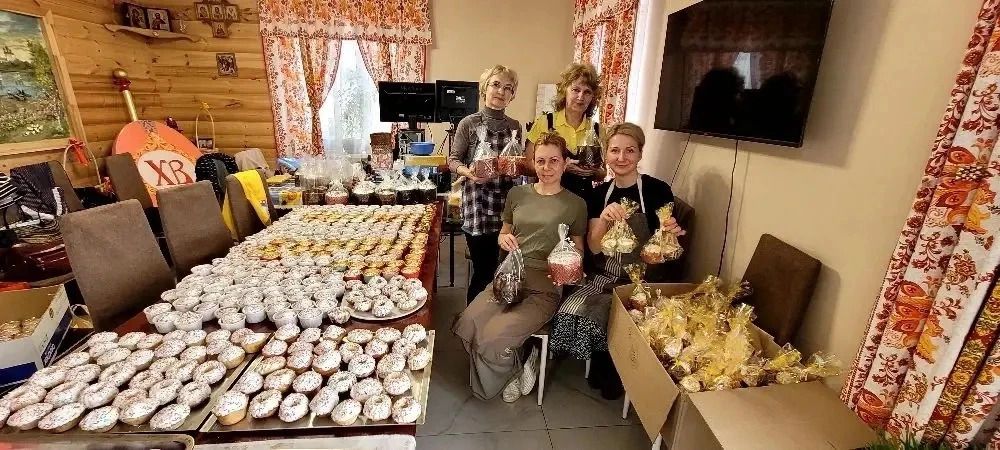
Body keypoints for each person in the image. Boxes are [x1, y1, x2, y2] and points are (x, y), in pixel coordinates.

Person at [549, 123, 686, 399]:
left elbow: (661, 248)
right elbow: (593, 247)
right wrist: (604, 220)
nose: (621, 158)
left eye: (630, 151)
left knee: (621, 318)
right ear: (606, 154)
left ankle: (615, 363)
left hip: (644, 279)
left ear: (640, 154)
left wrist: (670, 232)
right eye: (614, 151)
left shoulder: (657, 190)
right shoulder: (598, 195)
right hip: (604, 276)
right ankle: (603, 356)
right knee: (569, 313)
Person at [453, 132, 588, 403]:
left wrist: (569, 264)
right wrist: (503, 239)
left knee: (493, 337)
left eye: (554, 161)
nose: (546, 168)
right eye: (540, 161)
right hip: (509, 275)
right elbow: (505, 232)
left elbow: (579, 250)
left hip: (545, 283)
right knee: (467, 323)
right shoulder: (517, 194)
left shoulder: (576, 204)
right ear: (533, 163)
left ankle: (518, 366)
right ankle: (519, 360)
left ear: (565, 163)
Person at [447, 65, 522, 304]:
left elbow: (515, 161)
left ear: (512, 95)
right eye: (495, 85)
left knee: (501, 267)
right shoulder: (469, 123)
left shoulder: (515, 126)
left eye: (507, 88)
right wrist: (468, 172)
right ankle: (473, 319)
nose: (501, 91)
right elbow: (453, 160)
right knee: (483, 271)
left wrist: (516, 167)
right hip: (477, 205)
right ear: (484, 88)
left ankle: (496, 314)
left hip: (505, 205)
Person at [525, 63, 606, 200]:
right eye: (575, 90)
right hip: (548, 199)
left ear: (593, 96)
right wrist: (561, 167)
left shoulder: (598, 130)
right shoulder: (545, 123)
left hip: (584, 201)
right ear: (564, 91)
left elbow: (603, 173)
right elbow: (528, 165)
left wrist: (593, 171)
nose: (581, 96)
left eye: (587, 92)